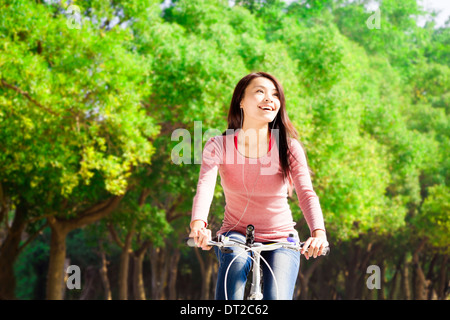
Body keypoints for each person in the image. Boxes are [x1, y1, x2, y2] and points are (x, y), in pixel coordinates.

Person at [189, 71, 328, 300]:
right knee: (235, 262)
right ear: (241, 101)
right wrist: (198, 225)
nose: (269, 99)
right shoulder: (219, 145)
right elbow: (205, 186)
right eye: (260, 91)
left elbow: (306, 193)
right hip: (235, 234)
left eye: (275, 94)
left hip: (282, 238)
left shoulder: (289, 148)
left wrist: (318, 233)